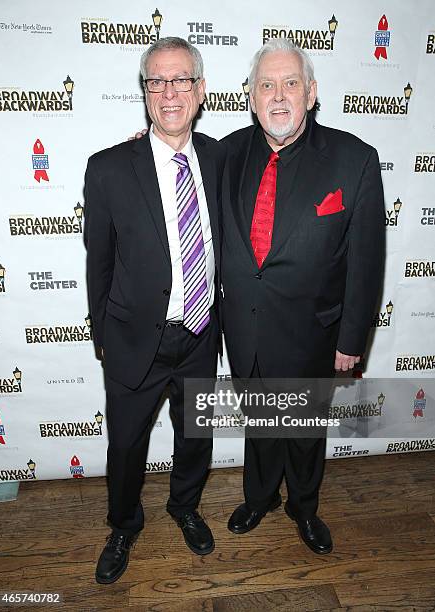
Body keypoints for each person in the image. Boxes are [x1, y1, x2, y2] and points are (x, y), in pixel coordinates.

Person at [221, 39, 385, 554]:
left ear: (311, 93)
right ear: (251, 97)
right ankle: (260, 498)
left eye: (290, 83)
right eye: (265, 85)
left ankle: (304, 508)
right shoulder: (223, 153)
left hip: (314, 333)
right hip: (245, 328)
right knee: (261, 427)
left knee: (304, 432)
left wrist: (352, 338)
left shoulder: (354, 159)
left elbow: (366, 260)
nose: (277, 96)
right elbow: (169, 162)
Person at [84, 37, 224, 584]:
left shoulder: (221, 158)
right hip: (133, 339)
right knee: (126, 447)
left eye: (182, 79)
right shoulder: (108, 168)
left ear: (201, 89)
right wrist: (103, 335)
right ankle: (123, 523)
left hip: (199, 335)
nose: (170, 92)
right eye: (157, 81)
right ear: (144, 92)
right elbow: (98, 265)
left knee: (196, 436)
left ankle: (184, 506)